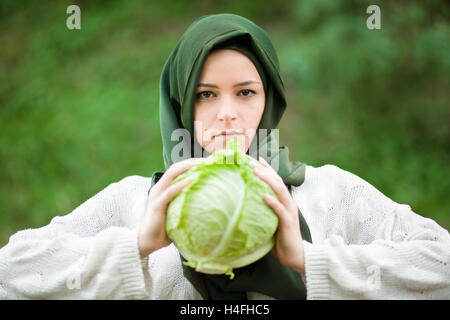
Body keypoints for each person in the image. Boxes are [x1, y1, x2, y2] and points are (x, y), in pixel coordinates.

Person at [0, 13, 448, 300]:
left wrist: (309, 260)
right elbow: (13, 271)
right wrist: (137, 245)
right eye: (205, 95)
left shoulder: (329, 192)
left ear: (268, 100)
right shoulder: (140, 203)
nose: (227, 115)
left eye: (246, 92)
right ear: (179, 103)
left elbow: (441, 267)